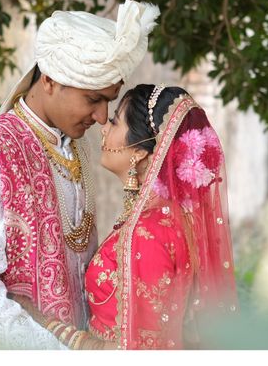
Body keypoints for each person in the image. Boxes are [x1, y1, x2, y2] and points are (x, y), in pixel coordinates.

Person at [0, 0, 160, 349]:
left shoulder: (79, 145)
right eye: (93, 99)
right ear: (49, 81)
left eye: (109, 101)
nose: (103, 117)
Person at [17, 84, 239, 349]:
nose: (104, 128)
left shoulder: (148, 232)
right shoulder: (166, 219)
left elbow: (140, 348)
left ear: (139, 151)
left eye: (114, 122)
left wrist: (51, 326)